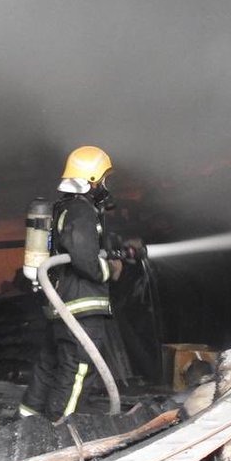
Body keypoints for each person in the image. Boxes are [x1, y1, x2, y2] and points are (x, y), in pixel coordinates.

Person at [19, 145, 142, 421]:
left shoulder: (65, 208)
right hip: (80, 307)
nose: (106, 186)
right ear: (92, 180)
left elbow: (84, 246)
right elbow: (85, 259)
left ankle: (26, 422)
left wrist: (119, 250)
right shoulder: (80, 211)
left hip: (63, 305)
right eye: (104, 179)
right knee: (77, 370)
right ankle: (60, 429)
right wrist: (110, 269)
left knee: (49, 366)